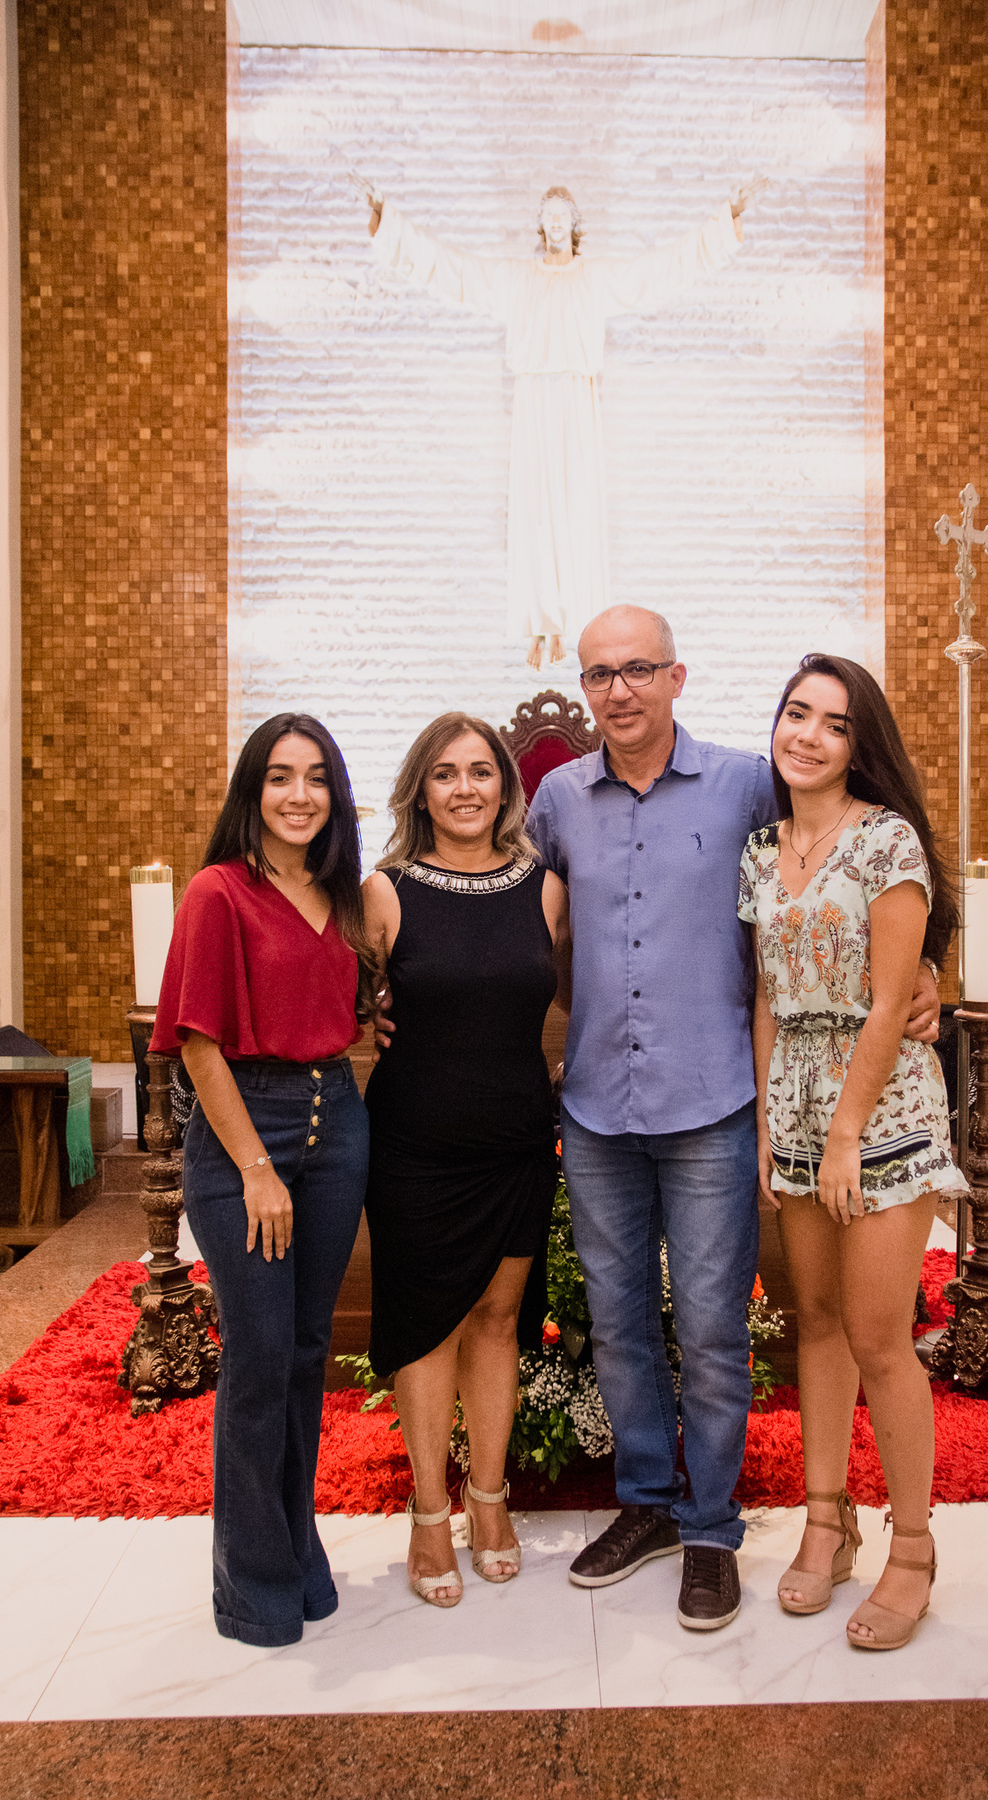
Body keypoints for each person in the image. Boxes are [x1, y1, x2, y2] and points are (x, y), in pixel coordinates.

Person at [524, 606, 942, 1631]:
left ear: (677, 676)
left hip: (718, 1104)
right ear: (584, 689)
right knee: (623, 1325)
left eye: (639, 669)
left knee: (717, 1331)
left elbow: (878, 883)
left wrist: (928, 973)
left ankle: (713, 1529)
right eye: (600, 674)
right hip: (607, 1104)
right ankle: (651, 1506)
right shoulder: (558, 799)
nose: (619, 689)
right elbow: (509, 918)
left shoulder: (748, 783)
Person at [739, 654, 968, 1650]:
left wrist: (842, 1137)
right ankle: (825, 1523)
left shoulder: (887, 841)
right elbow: (764, 995)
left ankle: (912, 1549)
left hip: (880, 1108)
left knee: (878, 1334)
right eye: (798, 713)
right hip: (794, 1103)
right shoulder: (761, 849)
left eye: (834, 723)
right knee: (818, 1322)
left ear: (858, 745)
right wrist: (767, 1125)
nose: (809, 735)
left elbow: (889, 1001)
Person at [150, 714, 372, 1647]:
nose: (299, 795)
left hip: (336, 1123)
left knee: (306, 1353)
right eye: (280, 776)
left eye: (316, 777)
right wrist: (254, 1169)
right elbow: (199, 1044)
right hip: (249, 1128)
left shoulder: (342, 894)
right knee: (257, 1357)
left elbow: (347, 1008)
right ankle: (252, 1583)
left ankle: (295, 1543)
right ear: (253, 789)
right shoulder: (218, 892)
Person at [363, 179, 764, 667]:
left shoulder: (593, 278)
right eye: (548, 215)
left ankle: (572, 621)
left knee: (577, 509)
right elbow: (454, 272)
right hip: (533, 397)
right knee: (534, 510)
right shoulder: (518, 279)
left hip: (577, 396)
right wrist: (387, 220)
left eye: (562, 216)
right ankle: (541, 624)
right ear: (541, 225)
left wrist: (726, 219)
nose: (555, 223)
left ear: (574, 225)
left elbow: (660, 270)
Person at [362, 713, 570, 1607]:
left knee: (497, 1318)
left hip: (514, 1138)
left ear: (505, 787)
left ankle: (489, 1501)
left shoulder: (546, 888)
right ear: (421, 790)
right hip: (414, 1144)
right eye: (445, 774)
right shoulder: (384, 891)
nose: (464, 789)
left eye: (480, 771)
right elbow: (343, 1002)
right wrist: (365, 1015)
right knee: (428, 1326)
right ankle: (427, 1510)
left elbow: (586, 990)